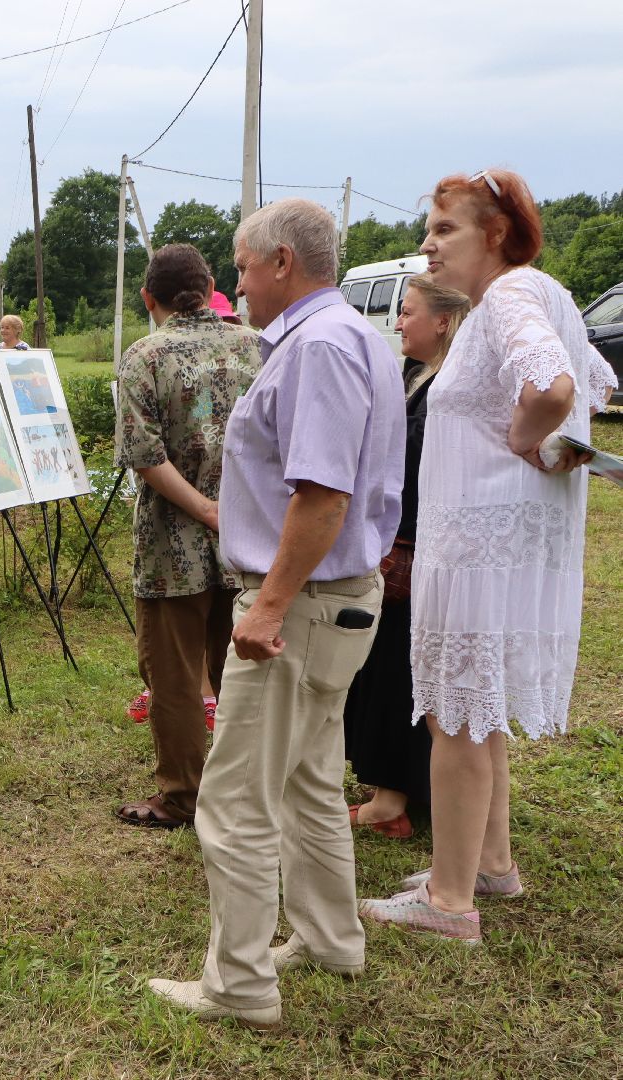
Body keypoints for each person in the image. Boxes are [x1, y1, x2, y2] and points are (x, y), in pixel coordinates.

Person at [145, 199, 405, 1028]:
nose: (237, 286)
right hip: (333, 603)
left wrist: (270, 608)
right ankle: (332, 938)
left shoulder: (320, 347)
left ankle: (240, 985)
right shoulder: (356, 335)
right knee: (307, 781)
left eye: (245, 268)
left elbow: (322, 493)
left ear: (284, 263)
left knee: (235, 800)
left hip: (301, 606)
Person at [360, 169, 616, 943]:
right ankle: (490, 866)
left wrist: (524, 434)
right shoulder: (541, 293)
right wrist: (547, 436)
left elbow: (561, 385)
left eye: (444, 230)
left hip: (478, 543)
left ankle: (447, 901)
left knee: (454, 720)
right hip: (501, 544)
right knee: (477, 711)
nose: (427, 246)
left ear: (494, 235)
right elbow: (601, 384)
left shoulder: (506, 297)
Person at [113, 244, 260, 830]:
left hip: (172, 548)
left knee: (172, 675)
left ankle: (182, 795)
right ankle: (246, 788)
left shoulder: (145, 356)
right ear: (211, 285)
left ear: (150, 299)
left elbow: (145, 457)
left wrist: (204, 509)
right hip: (250, 539)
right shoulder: (256, 346)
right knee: (242, 670)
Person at [344, 275, 471, 840]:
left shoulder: (453, 387)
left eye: (410, 312)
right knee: (387, 667)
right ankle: (396, 788)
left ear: (443, 322)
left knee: (400, 670)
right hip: (403, 538)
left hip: (421, 547)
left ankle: (392, 798)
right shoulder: (416, 375)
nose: (398, 322)